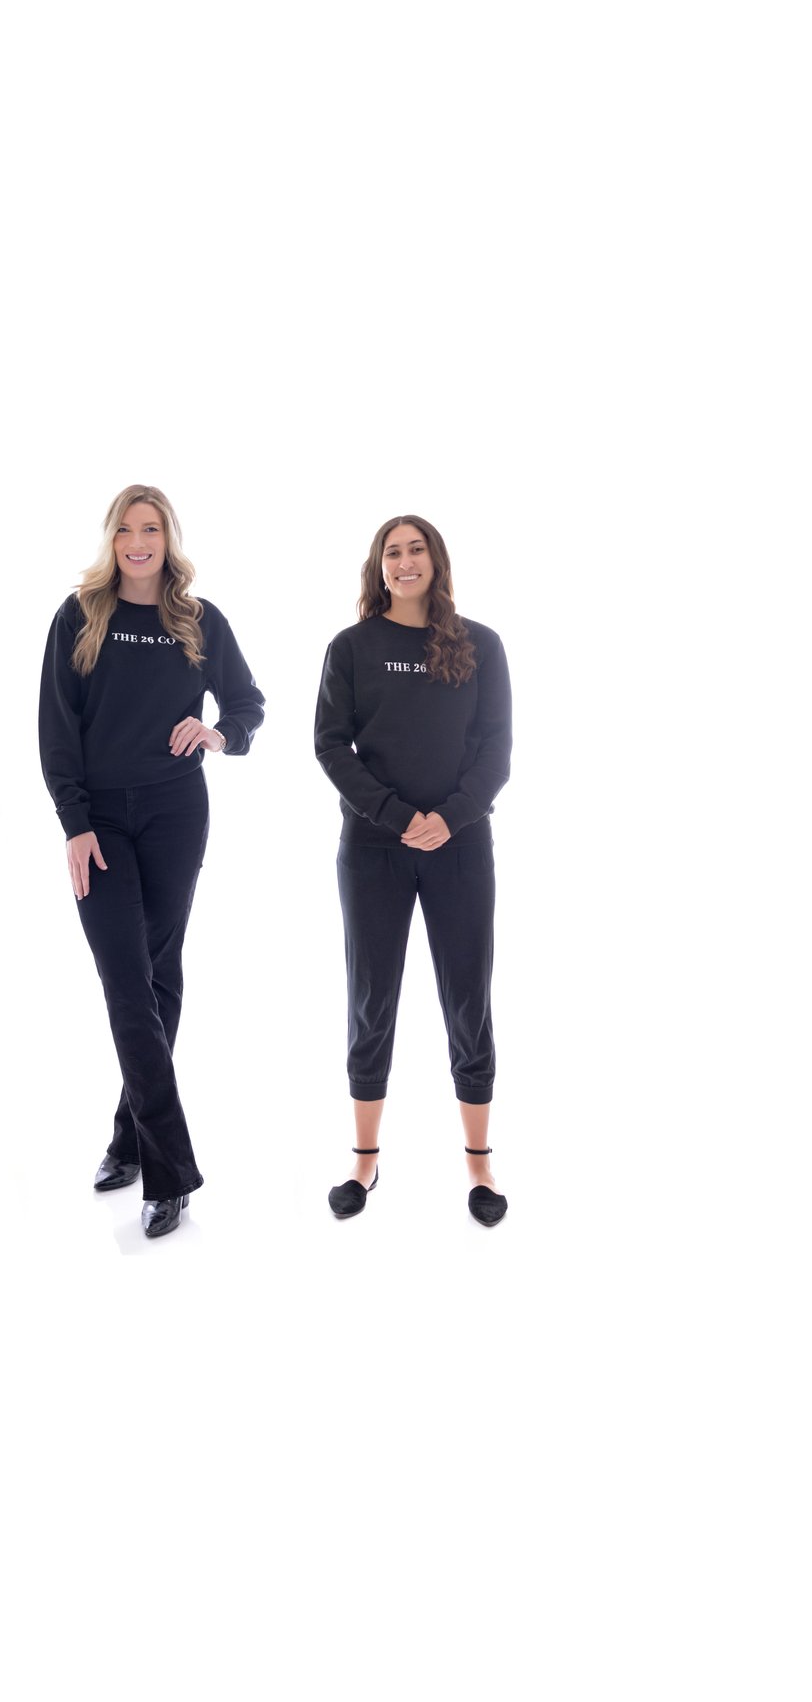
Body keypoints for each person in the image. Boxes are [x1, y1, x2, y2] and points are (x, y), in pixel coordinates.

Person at [37, 485, 264, 1238]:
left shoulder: (198, 621)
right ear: (112, 538)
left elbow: (247, 703)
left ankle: (128, 1137)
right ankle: (169, 1170)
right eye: (128, 529)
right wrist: (74, 823)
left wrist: (218, 732)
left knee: (159, 973)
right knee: (127, 981)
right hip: (100, 820)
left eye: (153, 529)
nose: (140, 542)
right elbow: (56, 727)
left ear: (169, 539)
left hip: (175, 815)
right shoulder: (79, 615)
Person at [314, 516, 512, 1226]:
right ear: (379, 567)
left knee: (468, 996)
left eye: (415, 548)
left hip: (460, 847)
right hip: (373, 849)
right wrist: (398, 817)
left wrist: (450, 817)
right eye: (392, 552)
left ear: (436, 560)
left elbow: (496, 751)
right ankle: (364, 1163)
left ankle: (479, 1164)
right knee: (372, 996)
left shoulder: (480, 645)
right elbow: (331, 747)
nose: (404, 561)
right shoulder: (352, 649)